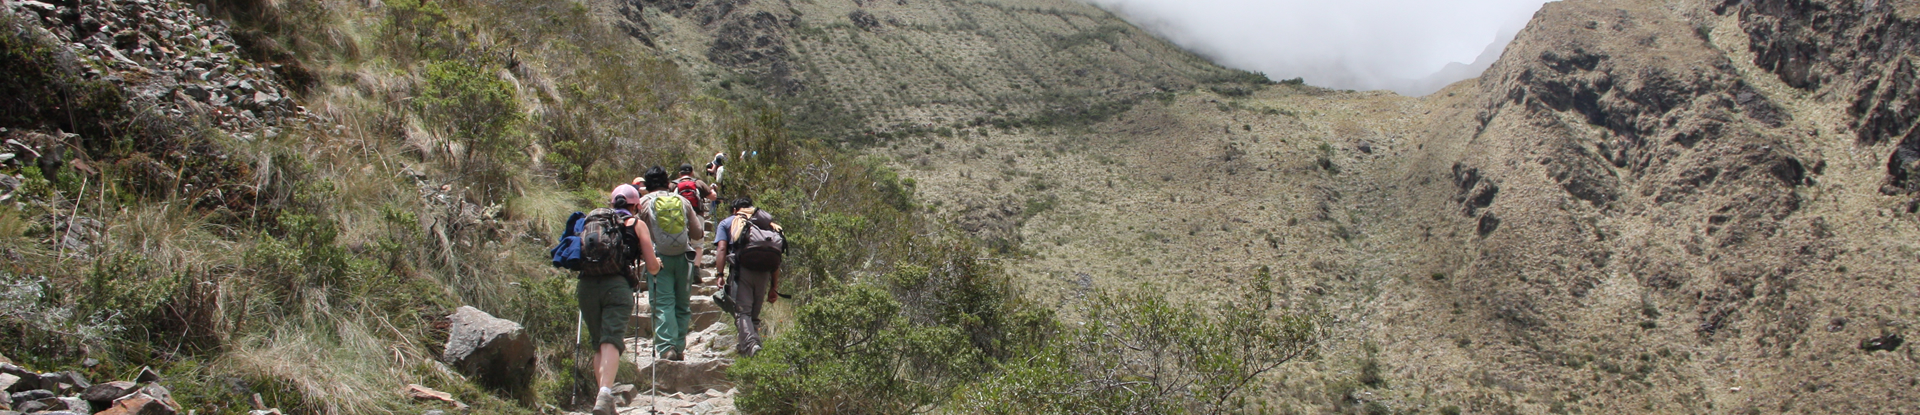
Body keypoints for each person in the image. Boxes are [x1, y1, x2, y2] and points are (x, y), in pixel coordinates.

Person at [582, 184, 662, 415]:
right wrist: (657, 267)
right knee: (612, 340)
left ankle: (604, 399)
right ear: (636, 205)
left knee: (599, 343)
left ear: (611, 203)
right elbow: (653, 266)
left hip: (586, 285)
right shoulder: (636, 224)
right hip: (617, 286)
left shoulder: (592, 222)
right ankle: (605, 394)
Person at [635, 166, 705, 361]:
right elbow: (698, 233)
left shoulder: (643, 204)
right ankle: (679, 346)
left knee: (663, 303)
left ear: (647, 186)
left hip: (658, 260)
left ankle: (667, 348)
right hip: (684, 258)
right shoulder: (682, 201)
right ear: (668, 183)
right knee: (682, 304)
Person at [714, 197, 782, 356]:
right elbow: (777, 259)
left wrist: (719, 274)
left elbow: (722, 249)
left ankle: (751, 346)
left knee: (742, 312)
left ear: (734, 210)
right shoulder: (766, 225)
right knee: (754, 314)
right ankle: (751, 346)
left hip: (741, 271)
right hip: (765, 273)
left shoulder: (728, 222)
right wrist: (774, 287)